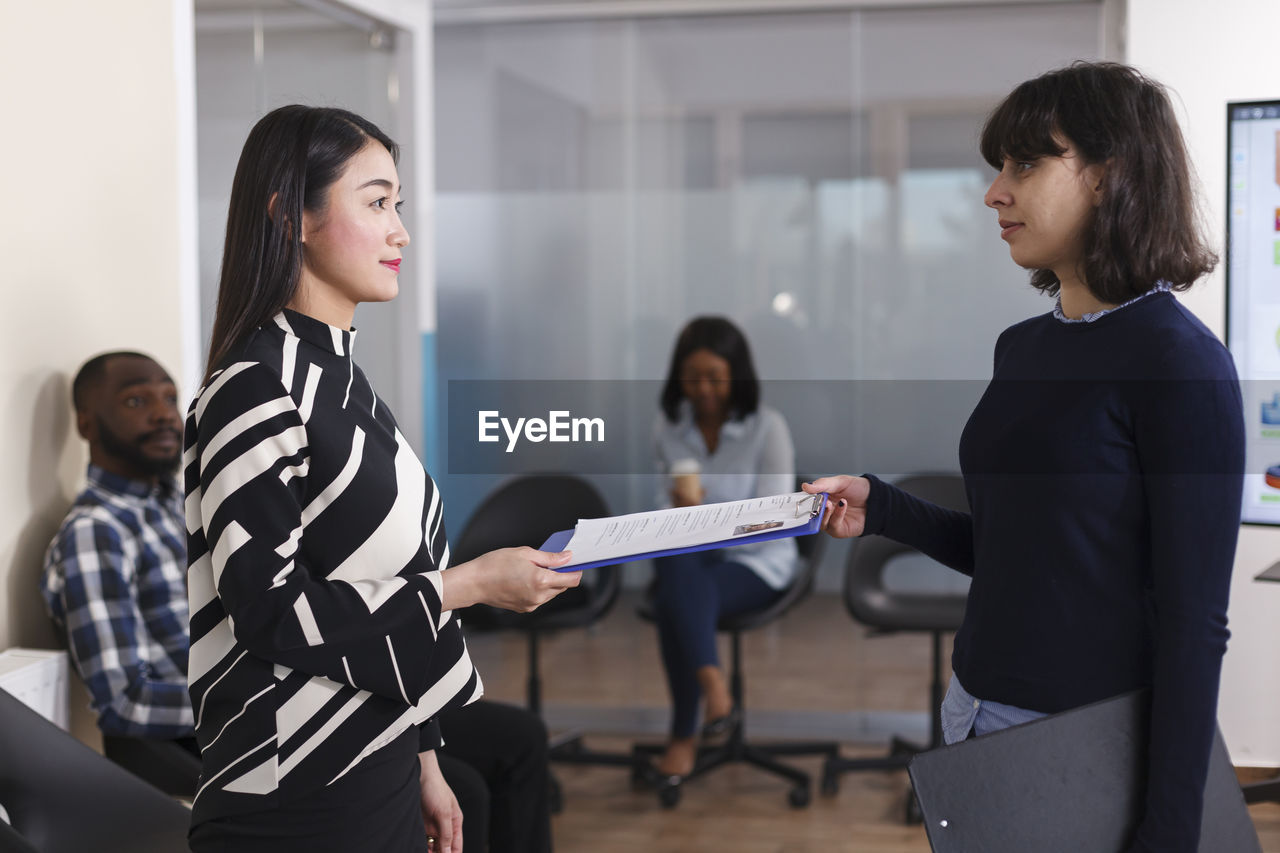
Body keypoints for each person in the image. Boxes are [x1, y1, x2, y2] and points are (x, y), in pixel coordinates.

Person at [805, 62, 1243, 852]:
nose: (994, 192)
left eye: (1026, 164)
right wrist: (885, 505)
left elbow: (1192, 624)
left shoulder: (1180, 364)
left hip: (1079, 738)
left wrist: (1171, 827)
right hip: (972, 712)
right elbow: (1022, 552)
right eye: (997, 167)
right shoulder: (1024, 347)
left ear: (1110, 176)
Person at [184, 104, 581, 853]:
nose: (401, 229)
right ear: (289, 216)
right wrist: (468, 584)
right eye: (376, 202)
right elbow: (267, 611)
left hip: (374, 759)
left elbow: (384, 582)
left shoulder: (341, 379)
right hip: (295, 788)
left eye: (397, 204)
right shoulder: (254, 387)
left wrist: (425, 753)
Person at [42, 351, 200, 794]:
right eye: (136, 402)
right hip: (210, 744)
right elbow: (125, 701)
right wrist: (256, 701)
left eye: (169, 399)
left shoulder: (178, 503)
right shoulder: (97, 532)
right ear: (86, 425)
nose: (164, 415)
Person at [649, 316, 797, 778]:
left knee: (675, 594)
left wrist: (712, 517)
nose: (704, 389)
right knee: (677, 566)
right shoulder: (668, 427)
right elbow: (659, 510)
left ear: (736, 374)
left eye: (715, 377)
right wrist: (677, 508)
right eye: (693, 378)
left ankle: (684, 732)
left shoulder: (768, 427)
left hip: (757, 561)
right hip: (690, 556)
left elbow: (779, 517)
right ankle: (712, 686)